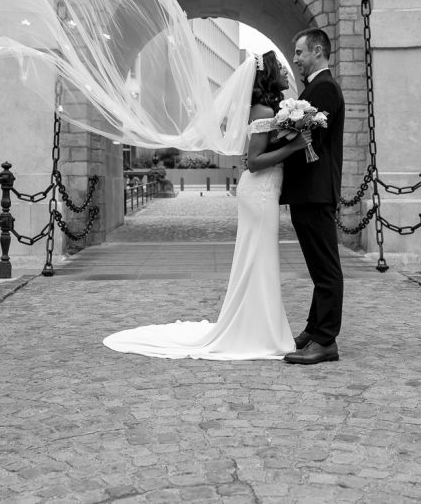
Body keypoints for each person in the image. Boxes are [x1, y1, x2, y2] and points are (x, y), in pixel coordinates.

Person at [102, 49, 308, 359]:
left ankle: (258, 328)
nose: (284, 68)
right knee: (259, 260)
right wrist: (295, 146)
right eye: (278, 65)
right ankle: (260, 332)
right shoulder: (263, 112)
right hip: (259, 192)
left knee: (259, 261)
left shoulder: (268, 109)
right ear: (267, 75)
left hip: (264, 191)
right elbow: (253, 161)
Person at [280, 28, 346, 365]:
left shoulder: (325, 88)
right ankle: (313, 329)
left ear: (317, 51)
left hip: (316, 192)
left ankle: (326, 340)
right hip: (309, 193)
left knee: (327, 270)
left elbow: (312, 143)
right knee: (319, 269)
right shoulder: (317, 87)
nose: (296, 59)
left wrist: (276, 144)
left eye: (300, 52)